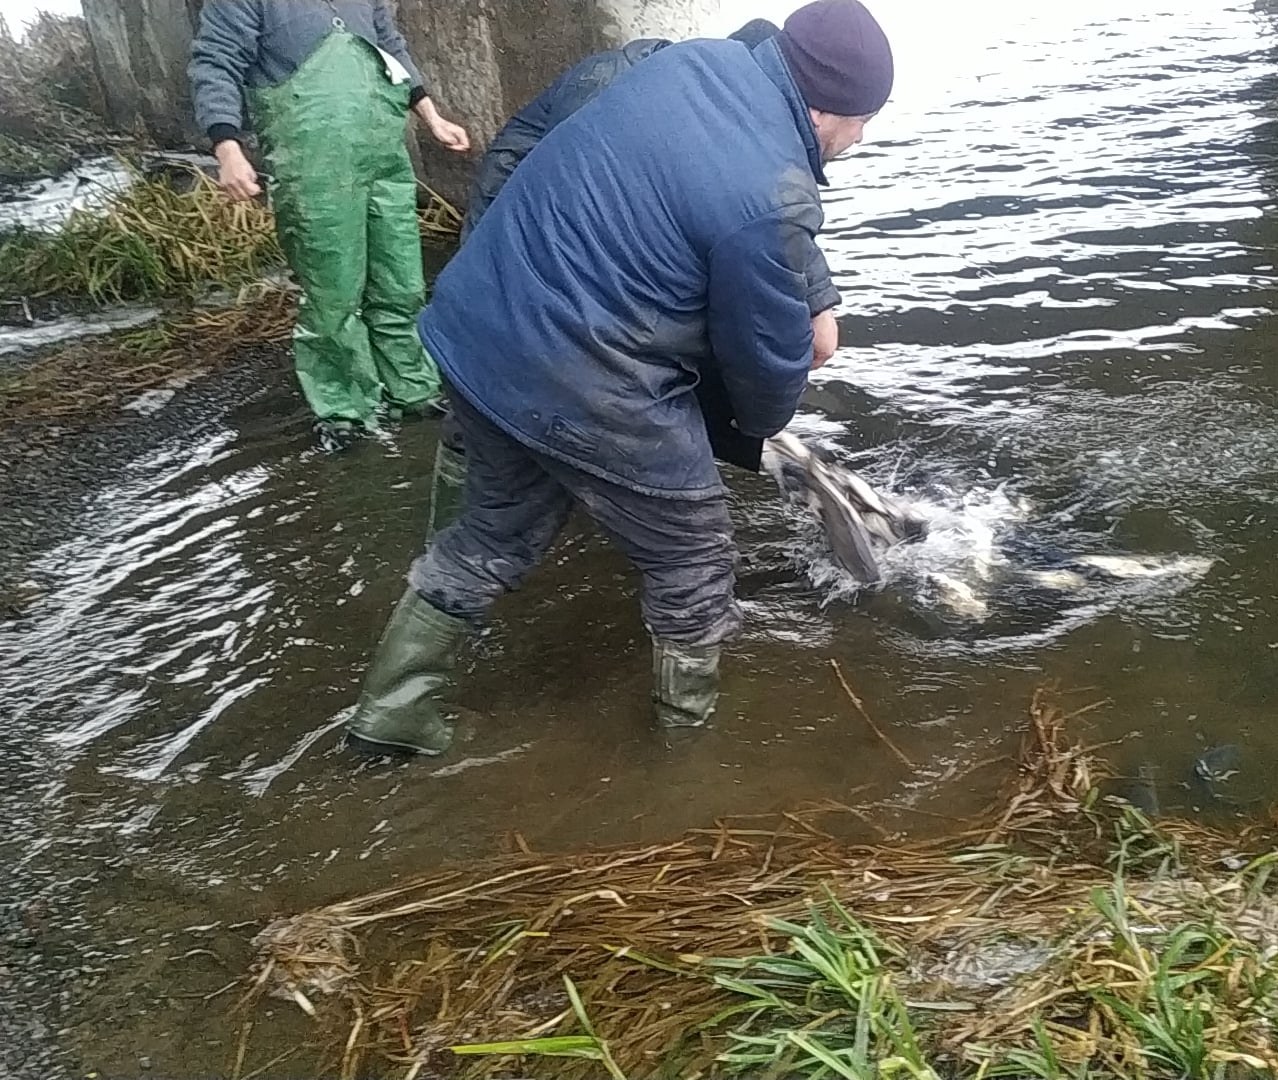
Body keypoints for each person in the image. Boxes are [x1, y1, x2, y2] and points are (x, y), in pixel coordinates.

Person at [345, 0, 894, 755]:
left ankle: (390, 717)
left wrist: (813, 295)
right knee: (692, 555)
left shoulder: (686, 63)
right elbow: (764, 366)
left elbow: (735, 205)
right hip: (579, 366)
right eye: (865, 120)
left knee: (493, 533)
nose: (860, 140)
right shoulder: (772, 193)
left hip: (478, 328)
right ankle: (691, 753)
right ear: (831, 107)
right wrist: (760, 430)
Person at [189, 0, 473, 452]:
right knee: (332, 289)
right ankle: (344, 407)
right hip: (312, 158)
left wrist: (431, 116)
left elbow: (390, 46)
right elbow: (217, 60)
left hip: (382, 150)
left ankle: (411, 387)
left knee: (399, 278)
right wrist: (227, 146)